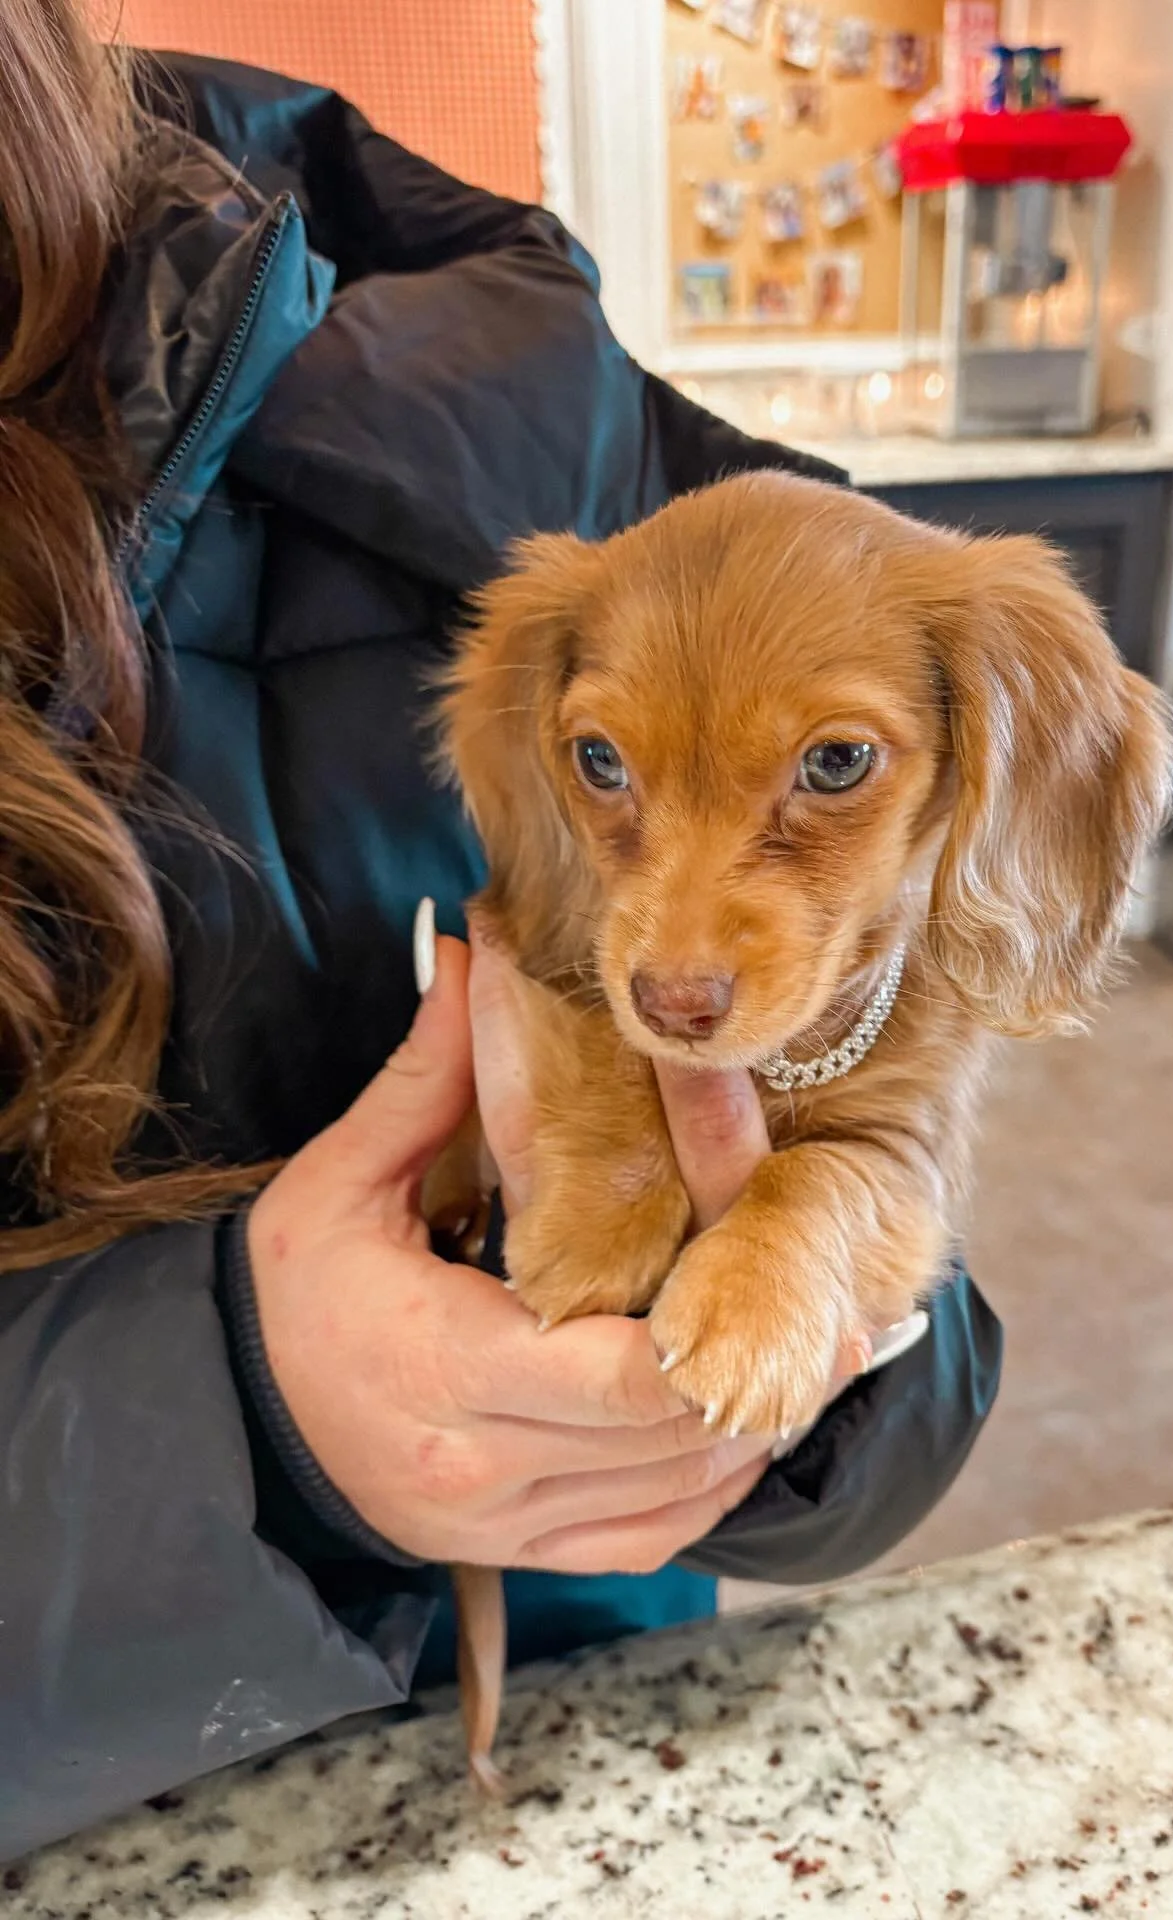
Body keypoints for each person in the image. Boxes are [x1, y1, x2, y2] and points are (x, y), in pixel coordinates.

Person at [0, 7, 1002, 1862]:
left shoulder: (454, 314)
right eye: (601, 768)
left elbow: (906, 1357)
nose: (679, 939)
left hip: (611, 1720)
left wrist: (801, 1365)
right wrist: (234, 1423)